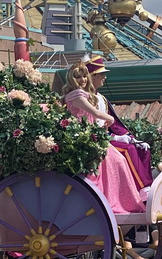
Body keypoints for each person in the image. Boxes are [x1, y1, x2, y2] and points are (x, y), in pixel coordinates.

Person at [63, 62, 147, 214]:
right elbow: (94, 113)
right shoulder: (76, 95)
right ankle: (111, 202)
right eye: (78, 76)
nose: (82, 79)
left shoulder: (87, 95)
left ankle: (128, 199)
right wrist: (109, 119)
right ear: (71, 79)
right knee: (117, 161)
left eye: (83, 76)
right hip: (85, 139)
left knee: (120, 160)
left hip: (94, 136)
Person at [83, 55, 153, 188]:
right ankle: (141, 188)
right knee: (128, 150)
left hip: (106, 137)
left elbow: (115, 125)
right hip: (95, 140)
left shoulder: (102, 98)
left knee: (141, 149)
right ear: (92, 76)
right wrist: (113, 137)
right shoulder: (84, 98)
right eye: (101, 74)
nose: (105, 77)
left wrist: (131, 138)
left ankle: (146, 187)